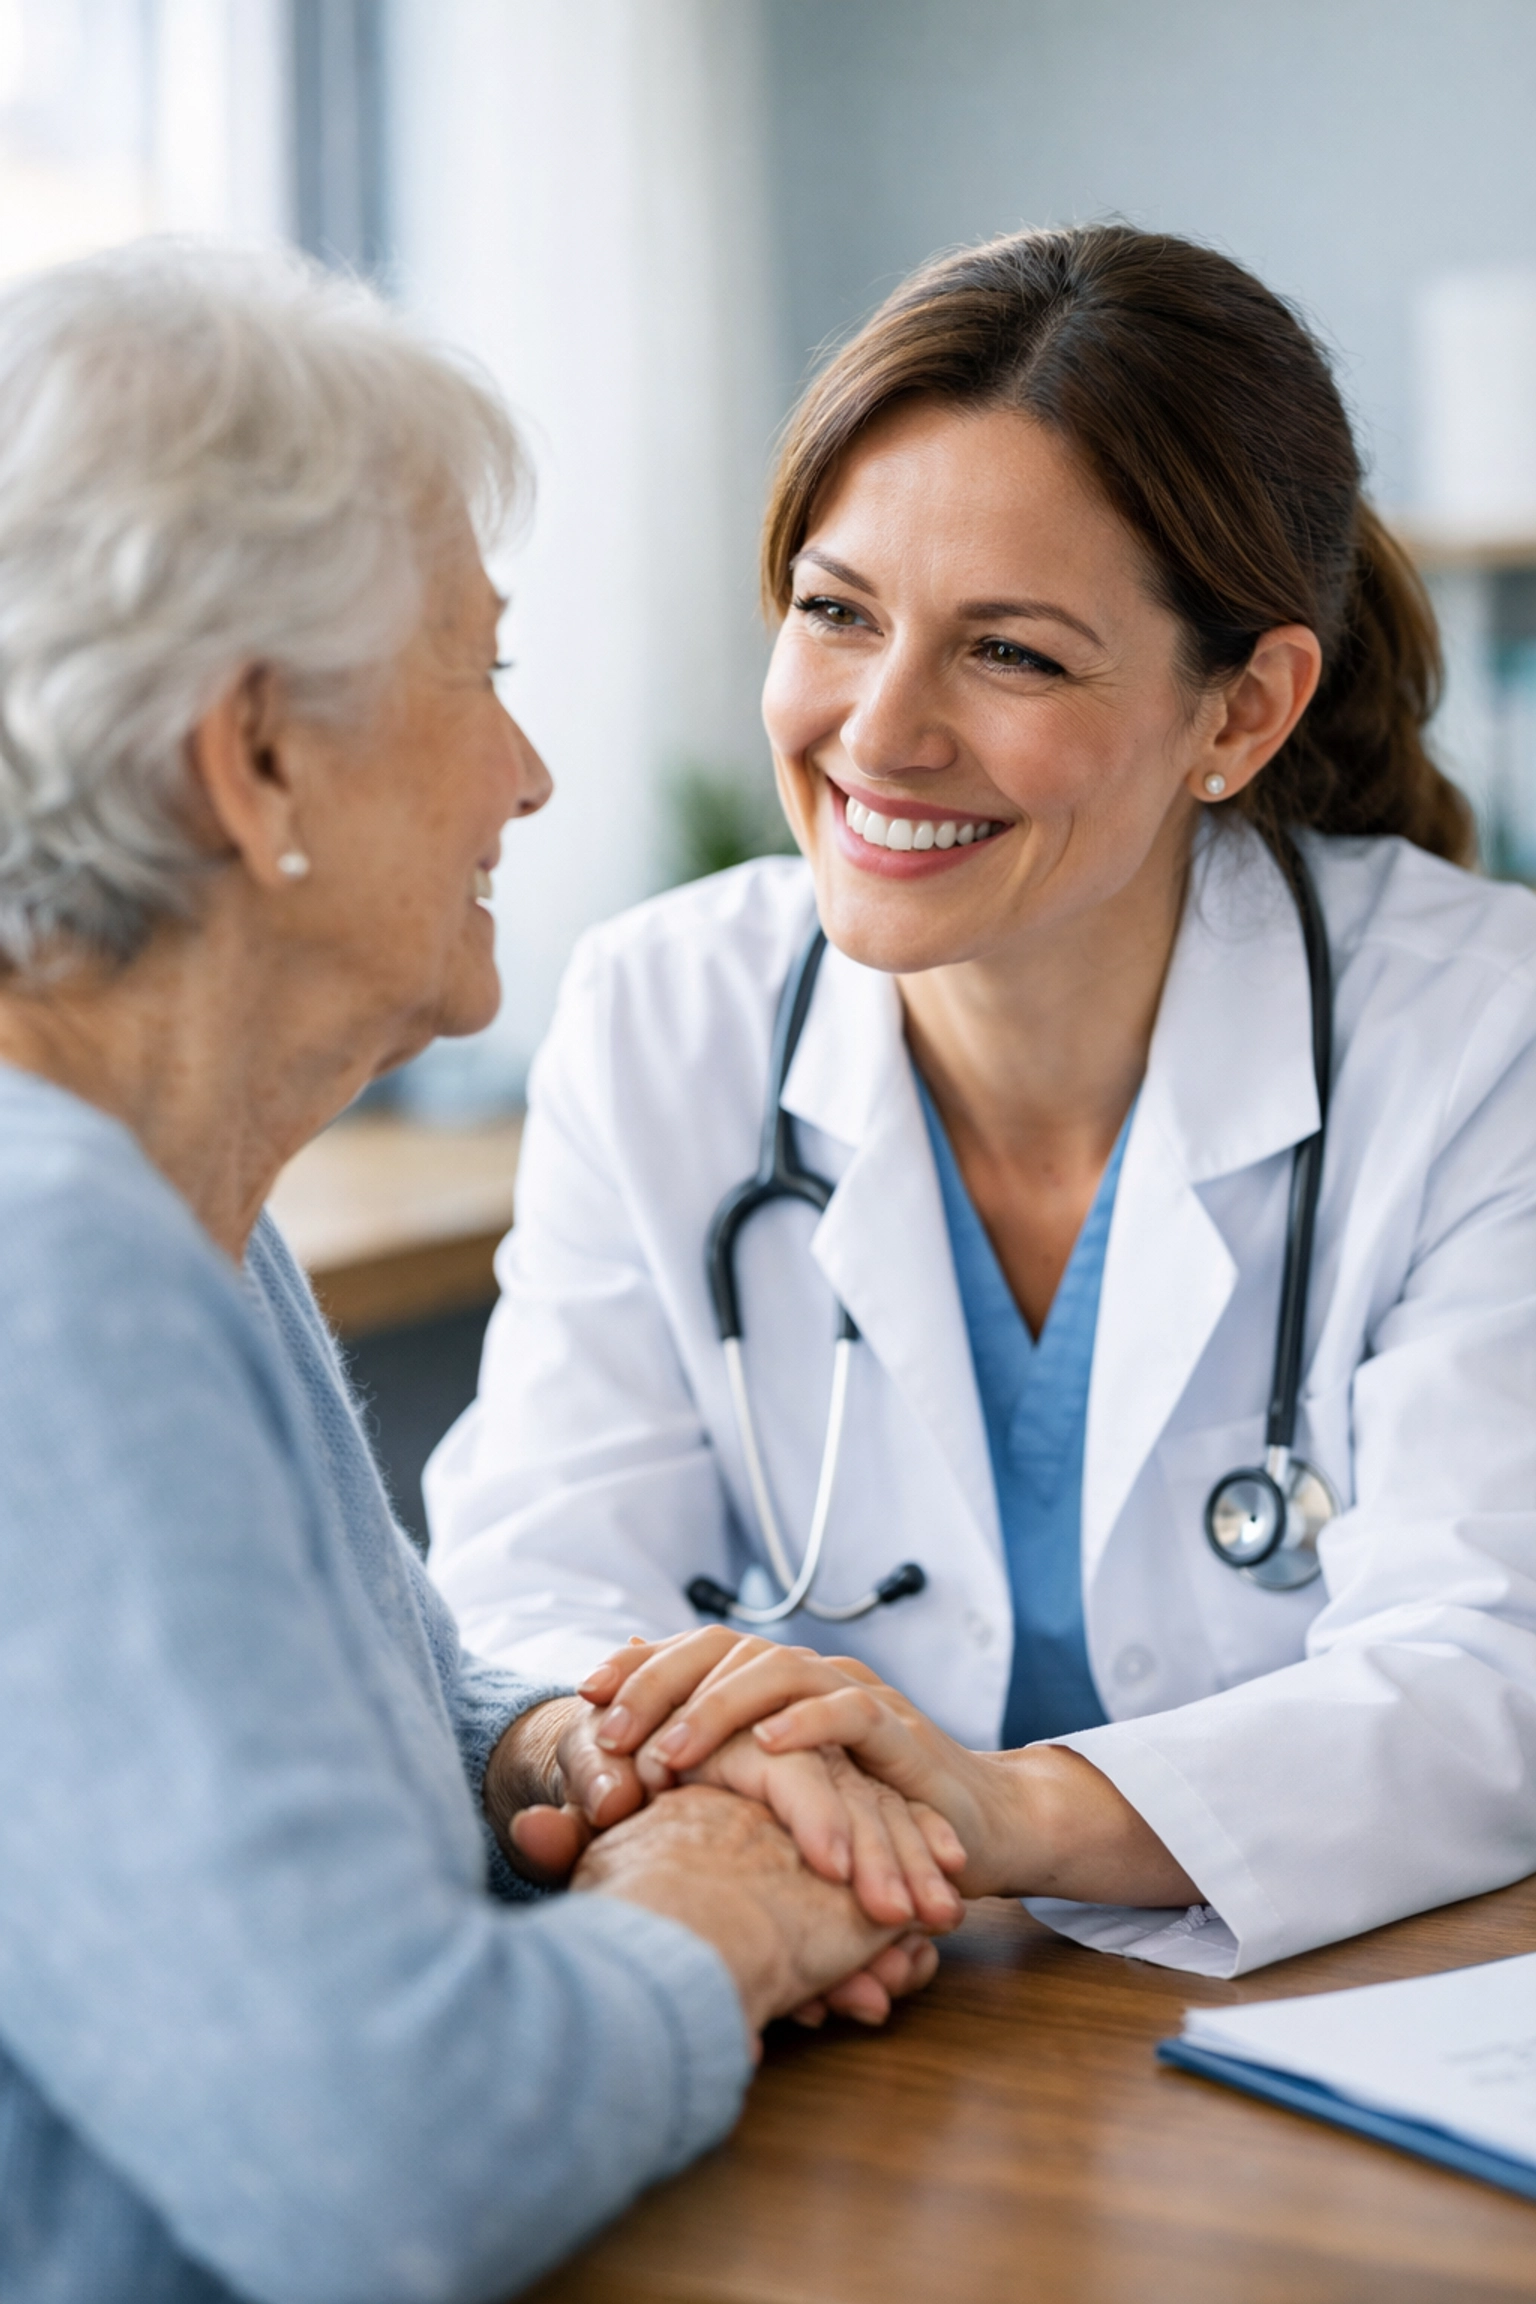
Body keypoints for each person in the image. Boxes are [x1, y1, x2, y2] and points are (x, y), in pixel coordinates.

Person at [0, 242, 962, 2304]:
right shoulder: (43, 1278)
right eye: (485, 674)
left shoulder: (173, 1207)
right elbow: (388, 2168)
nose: (530, 778)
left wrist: (591, 1757)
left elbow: (395, 1712)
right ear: (255, 759)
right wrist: (722, 1916)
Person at [427, 224, 1536, 1979]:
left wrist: (974, 1807)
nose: (881, 731)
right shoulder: (663, 1011)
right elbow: (528, 1586)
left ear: (1239, 711)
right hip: (851, 2025)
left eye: (1008, 654)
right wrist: (678, 1784)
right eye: (836, 611)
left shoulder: (1484, 1037)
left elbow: (1491, 1668)